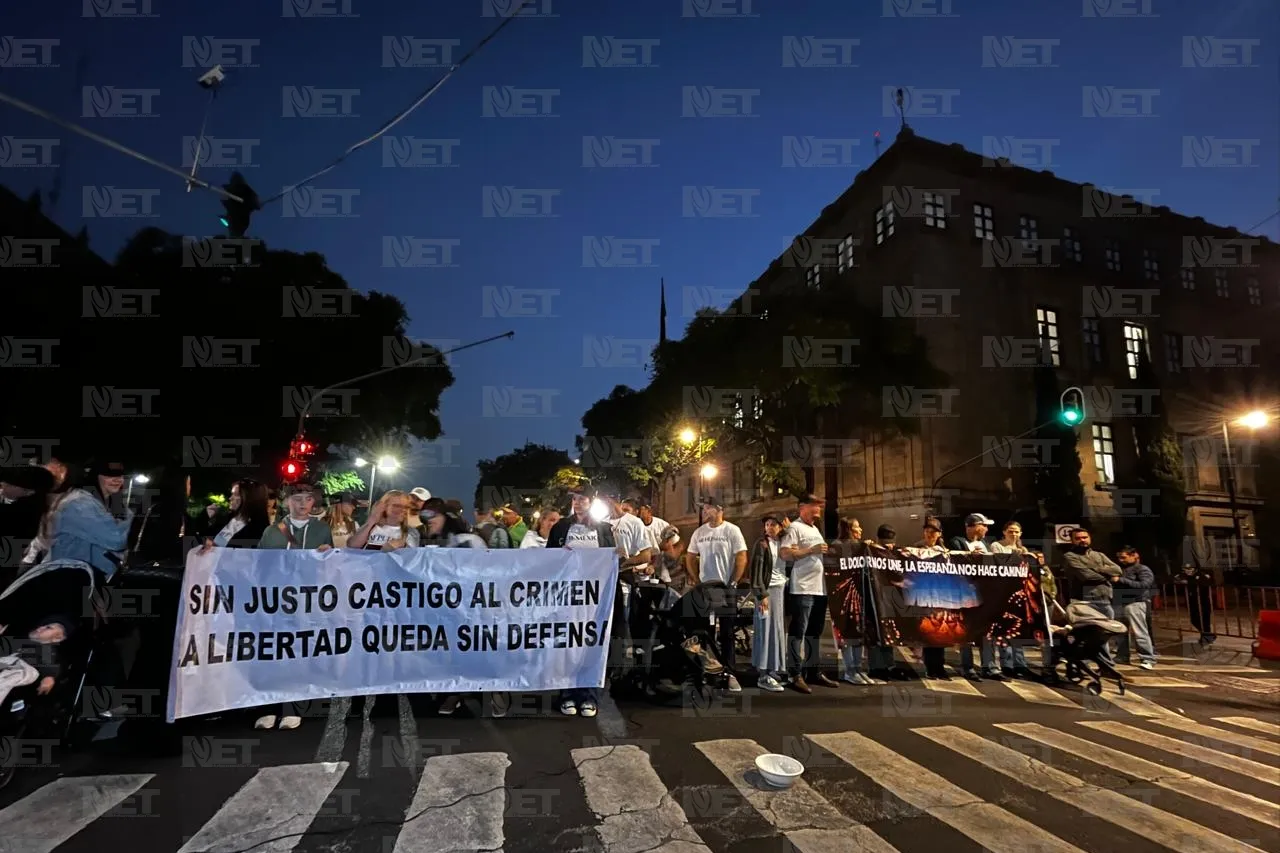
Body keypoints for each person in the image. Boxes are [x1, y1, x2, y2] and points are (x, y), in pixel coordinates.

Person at [254, 482, 333, 730]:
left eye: (307, 499)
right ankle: (268, 706)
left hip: (305, 600)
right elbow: (257, 564)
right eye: (297, 499)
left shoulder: (321, 530)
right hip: (275, 599)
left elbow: (330, 567)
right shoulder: (272, 531)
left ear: (313, 503)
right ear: (287, 502)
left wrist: (327, 554)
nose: (302, 504)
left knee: (298, 651)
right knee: (272, 652)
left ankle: (293, 707)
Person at [546, 492, 616, 717]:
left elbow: (611, 559)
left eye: (582, 498)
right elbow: (547, 558)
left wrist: (618, 555)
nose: (578, 502)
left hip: (595, 598)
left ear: (591, 502)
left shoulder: (603, 529)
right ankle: (566, 694)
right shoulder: (560, 528)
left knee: (591, 643)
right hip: (568, 596)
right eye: (574, 499)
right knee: (567, 643)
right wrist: (560, 556)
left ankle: (588, 696)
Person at [685, 497, 748, 693]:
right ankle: (704, 671)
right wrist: (696, 579)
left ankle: (729, 673)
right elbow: (690, 556)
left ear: (719, 509)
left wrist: (733, 582)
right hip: (705, 589)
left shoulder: (731, 530)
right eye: (703, 508)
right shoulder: (699, 532)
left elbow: (741, 556)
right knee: (703, 632)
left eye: (708, 508)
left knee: (727, 633)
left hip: (724, 588)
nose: (704, 512)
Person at [778, 493, 838, 693]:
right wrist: (810, 551)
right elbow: (785, 553)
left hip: (819, 588)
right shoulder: (795, 528)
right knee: (798, 631)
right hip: (802, 588)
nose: (818, 510)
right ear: (802, 507)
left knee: (815, 631)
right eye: (815, 506)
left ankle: (813, 671)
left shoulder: (814, 529)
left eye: (820, 507)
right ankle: (795, 674)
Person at [44, 461, 133, 581]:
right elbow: (117, 539)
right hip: (68, 577)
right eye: (109, 475)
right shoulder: (80, 504)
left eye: (120, 476)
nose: (117, 480)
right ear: (96, 477)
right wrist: (135, 522)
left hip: (91, 578)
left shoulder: (111, 503)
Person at [949, 513, 1002, 681]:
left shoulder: (988, 543)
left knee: (987, 632)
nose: (986, 529)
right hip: (965, 593)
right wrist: (971, 556)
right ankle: (968, 667)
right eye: (984, 525)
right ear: (972, 526)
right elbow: (955, 560)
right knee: (967, 632)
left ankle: (990, 666)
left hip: (985, 593)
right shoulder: (957, 541)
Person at [1059, 527, 1122, 664]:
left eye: (1084, 537)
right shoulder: (1070, 556)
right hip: (1085, 601)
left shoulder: (1099, 555)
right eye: (1078, 538)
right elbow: (1087, 576)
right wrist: (1108, 576)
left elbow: (1118, 569)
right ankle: (1096, 663)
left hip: (1105, 600)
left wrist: (1098, 568)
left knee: (1105, 635)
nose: (1082, 540)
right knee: (1090, 635)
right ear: (1072, 540)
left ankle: (1104, 663)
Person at [989, 520, 1036, 679]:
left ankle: (1020, 664)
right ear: (1004, 532)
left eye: (1016, 531)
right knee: (1005, 630)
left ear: (1020, 534)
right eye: (1010, 531)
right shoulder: (997, 546)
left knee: (1018, 631)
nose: (1013, 534)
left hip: (1019, 593)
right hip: (1002, 593)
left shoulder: (1022, 549)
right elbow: (1001, 563)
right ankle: (1007, 664)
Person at [748, 515, 787, 691]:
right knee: (765, 631)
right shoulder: (762, 545)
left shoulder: (783, 543)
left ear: (780, 527)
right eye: (767, 524)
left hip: (780, 590)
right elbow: (755, 570)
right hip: (767, 591)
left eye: (773, 524)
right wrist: (761, 594)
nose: (769, 527)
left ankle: (772, 669)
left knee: (776, 631)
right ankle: (763, 674)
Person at [0, 464, 55, 588]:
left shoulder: (19, 515)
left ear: (28, 491)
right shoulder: (36, 508)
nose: (3, 485)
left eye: (9, 484)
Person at [911, 516, 950, 679]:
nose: (929, 534)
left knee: (940, 633)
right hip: (924, 596)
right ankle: (930, 667)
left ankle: (939, 667)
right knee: (928, 632)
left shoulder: (944, 552)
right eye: (927, 531)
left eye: (933, 532)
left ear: (939, 534)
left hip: (940, 597)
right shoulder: (915, 549)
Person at [1113, 546, 1156, 669]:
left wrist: (1121, 580)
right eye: (1119, 558)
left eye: (1124, 557)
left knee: (1139, 631)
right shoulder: (1119, 569)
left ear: (1133, 555)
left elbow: (1144, 585)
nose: (1121, 560)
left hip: (1135, 602)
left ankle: (1147, 658)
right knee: (1120, 632)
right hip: (1119, 602)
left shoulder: (1142, 569)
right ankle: (1122, 656)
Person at [204, 479, 271, 550]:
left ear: (249, 498)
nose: (230, 498)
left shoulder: (259, 529)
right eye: (231, 494)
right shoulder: (226, 519)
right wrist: (205, 516)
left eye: (236, 494)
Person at [346, 490, 419, 551]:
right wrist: (371, 521)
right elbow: (352, 546)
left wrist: (402, 548)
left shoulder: (411, 532)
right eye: (396, 506)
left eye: (406, 507)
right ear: (384, 506)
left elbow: (411, 560)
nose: (402, 510)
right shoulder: (371, 527)